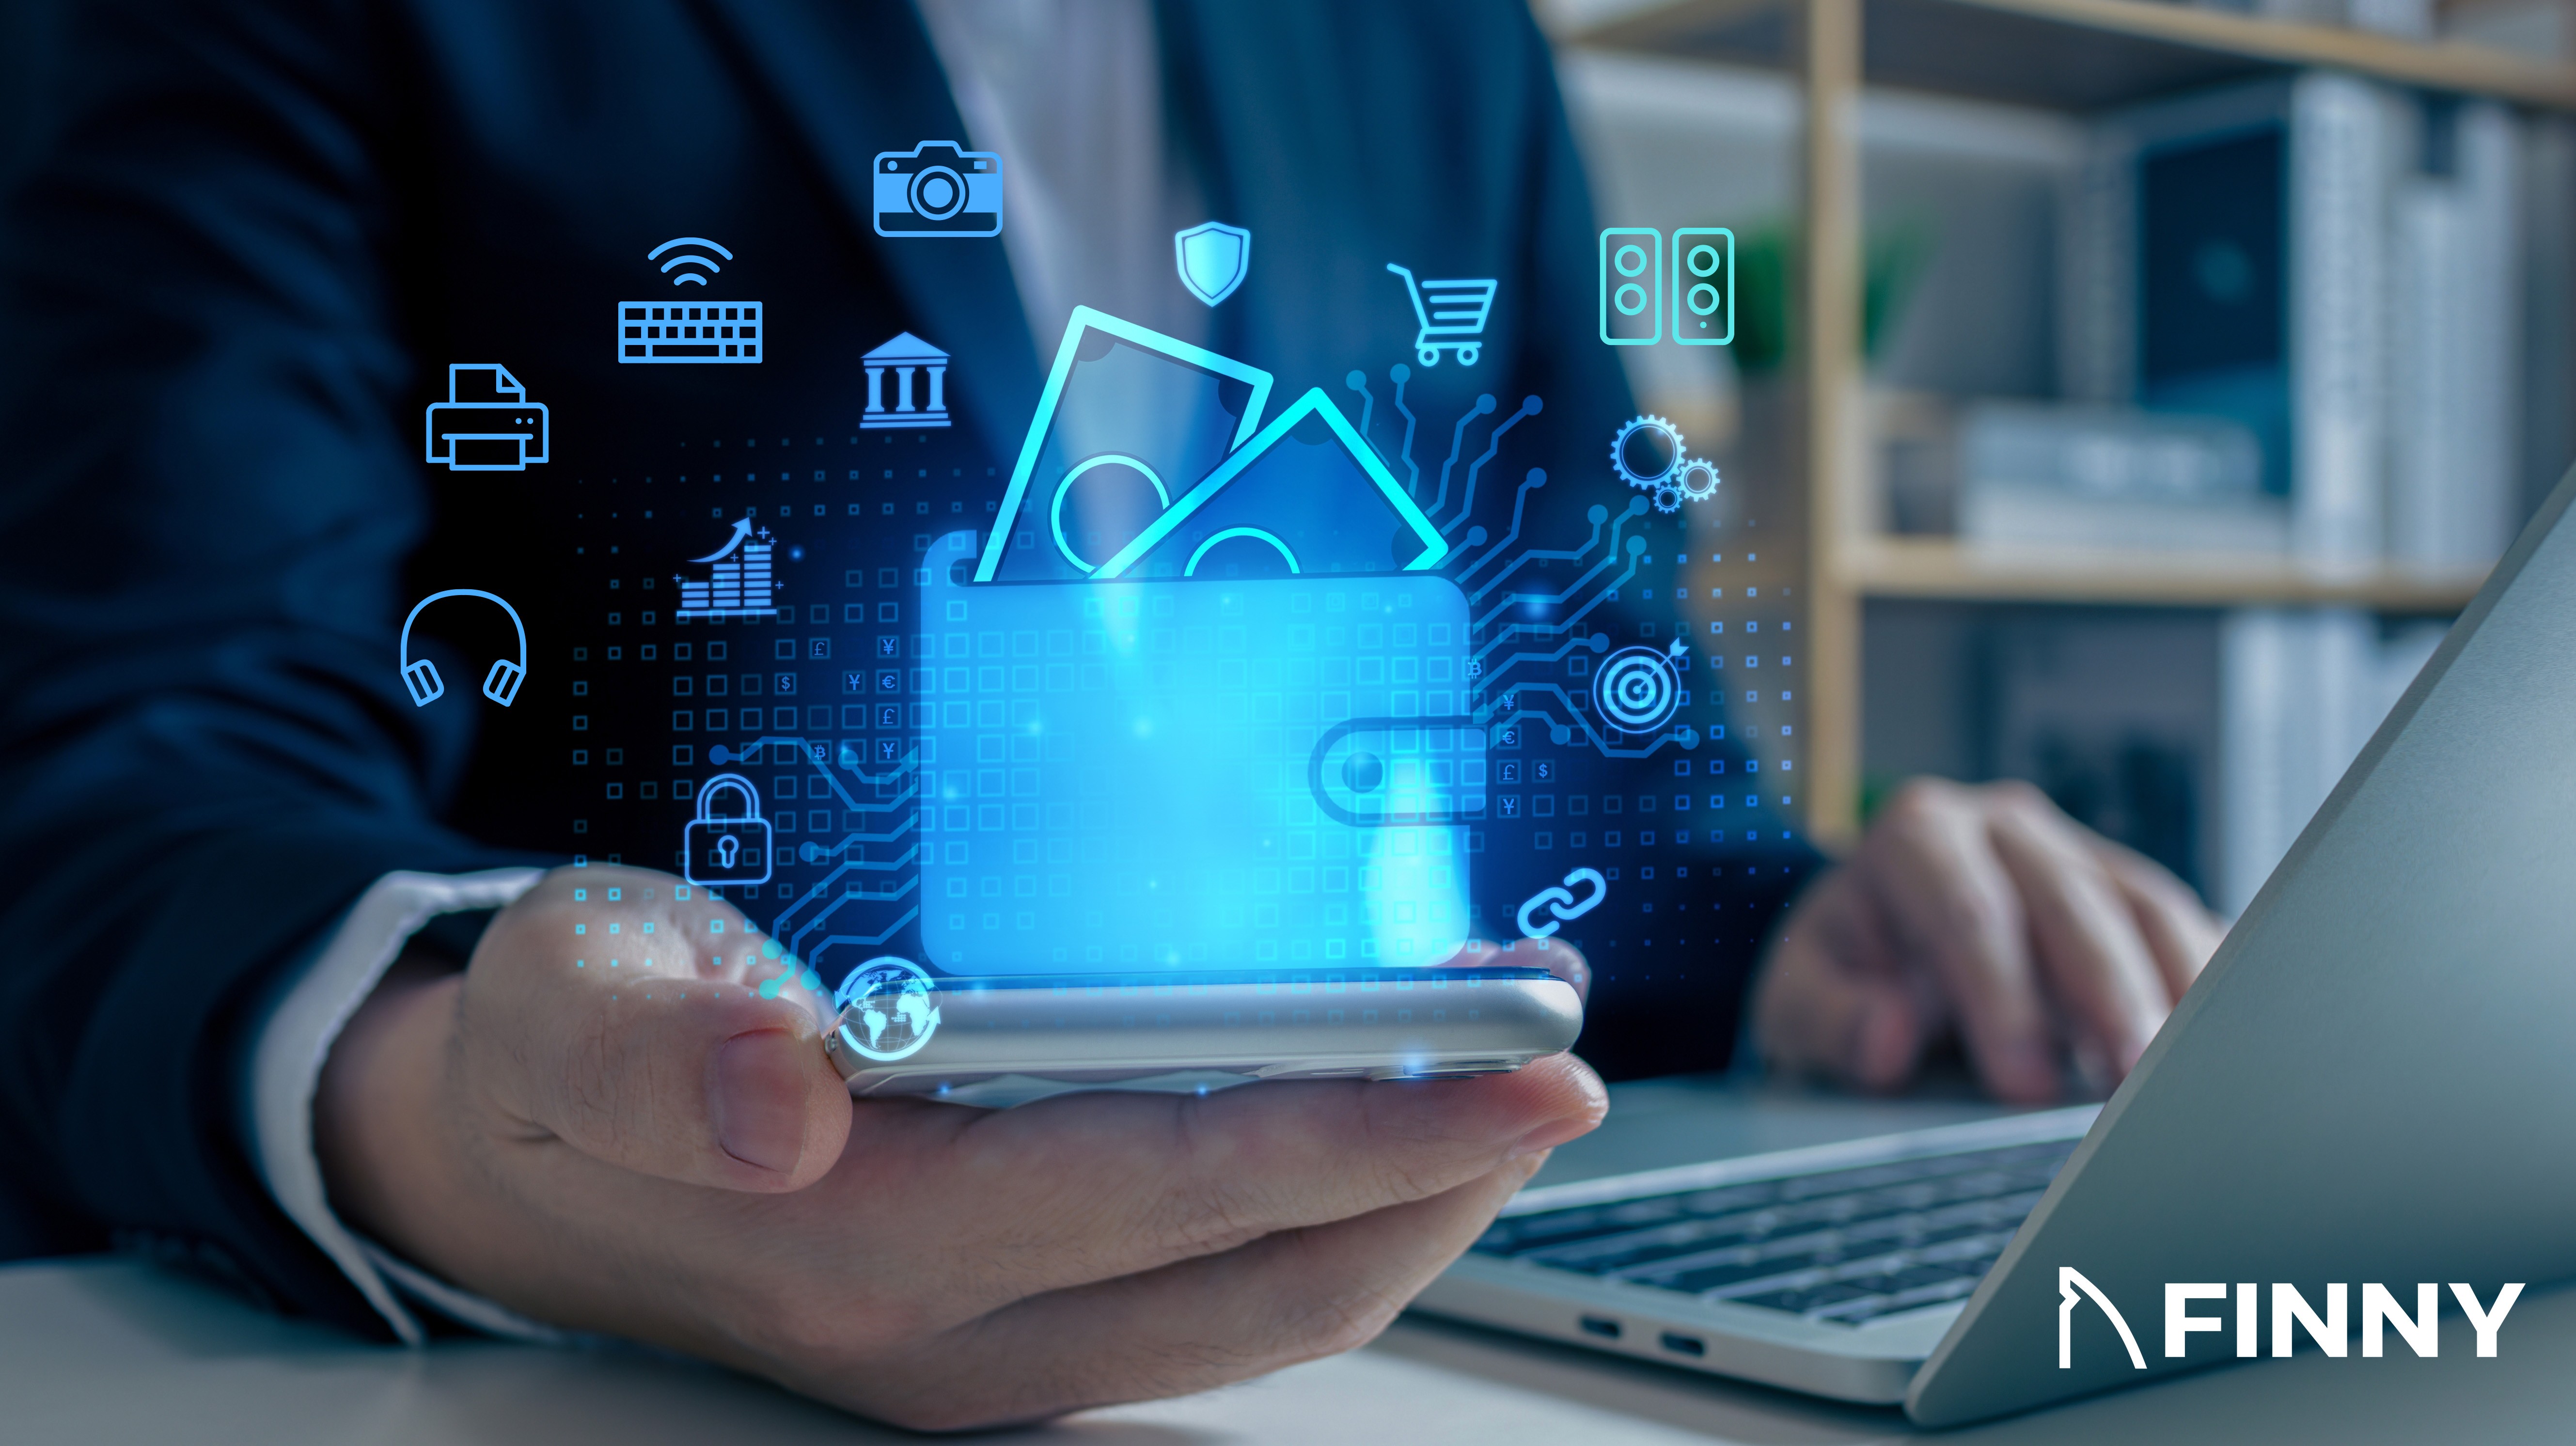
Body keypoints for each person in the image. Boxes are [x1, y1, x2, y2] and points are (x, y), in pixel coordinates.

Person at [0, 0, 2221, 1429]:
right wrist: (458, 1107)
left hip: (1421, 1362)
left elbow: (1584, 748)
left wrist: (1801, 931)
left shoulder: (1444, 43)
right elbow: (140, 759)